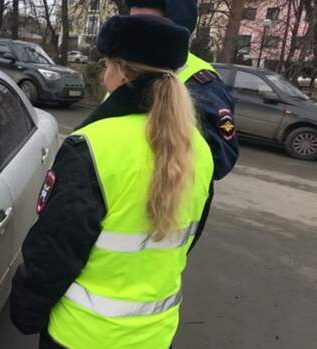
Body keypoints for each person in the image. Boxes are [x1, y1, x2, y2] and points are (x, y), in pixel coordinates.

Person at [10, 15, 213, 349]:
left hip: (81, 336)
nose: (104, 78)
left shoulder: (91, 146)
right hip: (154, 337)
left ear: (119, 71)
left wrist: (26, 313)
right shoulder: (199, 149)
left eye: (106, 67)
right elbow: (187, 240)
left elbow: (53, 253)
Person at [88, 0, 238, 251]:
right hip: (103, 200)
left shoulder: (201, 80)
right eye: (132, 19)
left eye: (146, 21)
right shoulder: (121, 65)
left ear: (177, 25)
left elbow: (221, 157)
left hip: (157, 219)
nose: (136, 29)